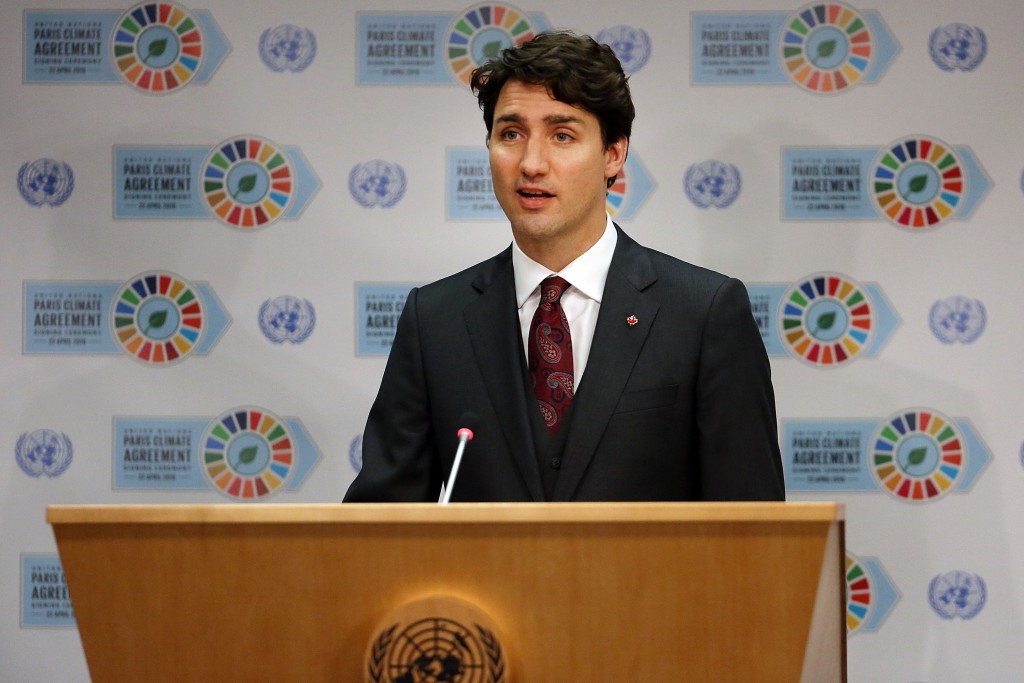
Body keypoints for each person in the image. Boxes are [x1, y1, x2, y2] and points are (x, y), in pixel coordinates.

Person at [344, 31, 784, 502]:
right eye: (511, 134)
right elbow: (379, 524)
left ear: (613, 154)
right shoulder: (435, 320)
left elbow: (753, 528)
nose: (531, 164)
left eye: (562, 135)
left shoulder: (703, 313)